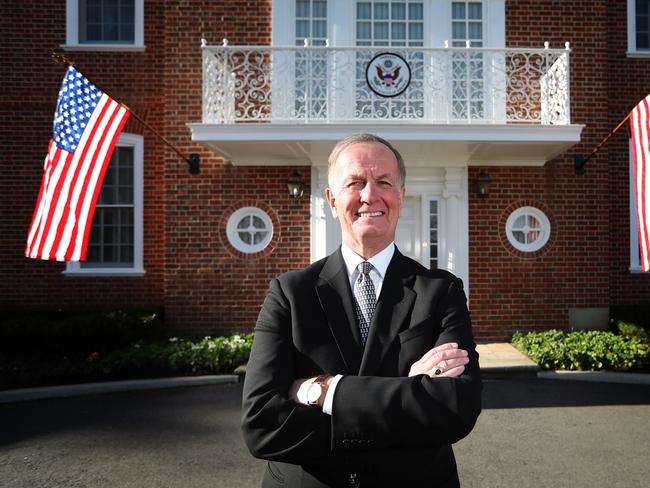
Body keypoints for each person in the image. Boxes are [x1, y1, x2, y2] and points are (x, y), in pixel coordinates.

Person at [241, 133, 482, 488]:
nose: (371, 195)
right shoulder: (290, 293)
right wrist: (407, 390)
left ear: (399, 196)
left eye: (384, 182)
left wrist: (323, 391)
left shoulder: (441, 291)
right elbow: (262, 424)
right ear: (332, 199)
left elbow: (455, 409)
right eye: (355, 182)